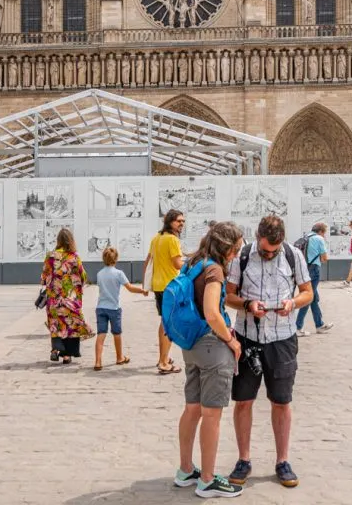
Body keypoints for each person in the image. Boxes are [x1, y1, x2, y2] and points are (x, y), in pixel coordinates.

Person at [225, 214, 313, 490]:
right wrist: (248, 304)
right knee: (243, 400)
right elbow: (228, 295)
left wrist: (293, 303)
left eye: (273, 251)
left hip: (282, 338)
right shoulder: (242, 256)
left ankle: (282, 461)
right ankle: (244, 459)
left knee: (282, 401)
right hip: (248, 337)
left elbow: (307, 292)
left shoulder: (293, 255)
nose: (269, 254)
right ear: (256, 237)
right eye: (264, 249)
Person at [175, 222, 244, 499]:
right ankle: (206, 479)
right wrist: (231, 340)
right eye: (236, 249)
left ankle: (185, 470)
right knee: (212, 414)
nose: (237, 254)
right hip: (211, 346)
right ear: (226, 247)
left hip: (190, 344)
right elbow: (212, 312)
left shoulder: (193, 262)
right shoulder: (214, 269)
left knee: (192, 409)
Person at [41, 228, 93, 363]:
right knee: (70, 325)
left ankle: (55, 349)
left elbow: (44, 276)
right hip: (70, 299)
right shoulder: (74, 257)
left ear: (58, 240)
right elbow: (83, 276)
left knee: (56, 324)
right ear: (71, 241)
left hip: (54, 299)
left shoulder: (50, 256)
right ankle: (66, 355)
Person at [143, 209, 185, 374]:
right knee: (168, 325)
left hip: (159, 286)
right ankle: (163, 362)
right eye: (178, 221)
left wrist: (144, 285)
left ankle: (164, 357)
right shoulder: (172, 240)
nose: (181, 224)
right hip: (171, 287)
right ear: (170, 222)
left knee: (165, 323)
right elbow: (177, 264)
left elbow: (148, 260)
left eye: (183, 221)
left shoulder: (156, 238)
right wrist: (190, 264)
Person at [93, 246, 148, 371]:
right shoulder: (118, 273)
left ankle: (97, 361)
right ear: (116, 259)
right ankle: (119, 357)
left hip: (101, 307)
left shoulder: (99, 274)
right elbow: (129, 288)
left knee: (101, 333)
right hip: (114, 308)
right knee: (117, 333)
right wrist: (142, 291)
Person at [295, 223, 334, 336]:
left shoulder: (306, 237)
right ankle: (298, 327)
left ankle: (319, 325)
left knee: (314, 298)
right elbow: (324, 258)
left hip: (304, 269)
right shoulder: (319, 239)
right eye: (324, 233)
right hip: (314, 270)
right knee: (308, 297)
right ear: (321, 231)